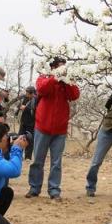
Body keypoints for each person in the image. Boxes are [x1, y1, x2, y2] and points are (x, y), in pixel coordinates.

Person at [26, 57, 80, 200]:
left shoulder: (67, 81)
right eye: (60, 66)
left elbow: (74, 95)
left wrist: (66, 81)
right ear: (53, 67)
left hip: (60, 129)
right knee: (38, 159)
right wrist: (54, 78)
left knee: (56, 162)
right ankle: (34, 188)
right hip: (42, 126)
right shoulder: (44, 77)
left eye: (64, 66)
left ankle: (54, 190)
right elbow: (42, 89)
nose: (63, 69)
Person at [16, 86, 37, 160]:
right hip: (23, 122)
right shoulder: (25, 98)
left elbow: (35, 111)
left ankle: (28, 157)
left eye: (27, 92)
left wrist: (26, 108)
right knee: (19, 138)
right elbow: (21, 106)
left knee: (29, 139)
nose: (26, 94)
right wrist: (20, 107)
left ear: (32, 93)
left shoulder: (36, 100)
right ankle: (18, 155)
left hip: (31, 123)